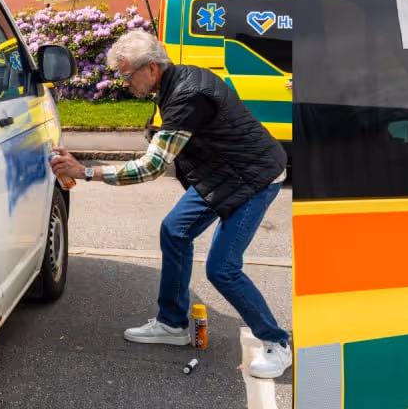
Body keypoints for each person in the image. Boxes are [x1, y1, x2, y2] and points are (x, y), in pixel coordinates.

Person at [49, 30, 292, 379]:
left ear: (151, 69)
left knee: (222, 269)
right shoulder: (176, 82)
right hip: (221, 176)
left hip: (253, 180)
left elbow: (151, 167)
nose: (124, 83)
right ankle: (173, 324)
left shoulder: (187, 95)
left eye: (127, 75)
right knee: (174, 230)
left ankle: (277, 342)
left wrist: (84, 170)